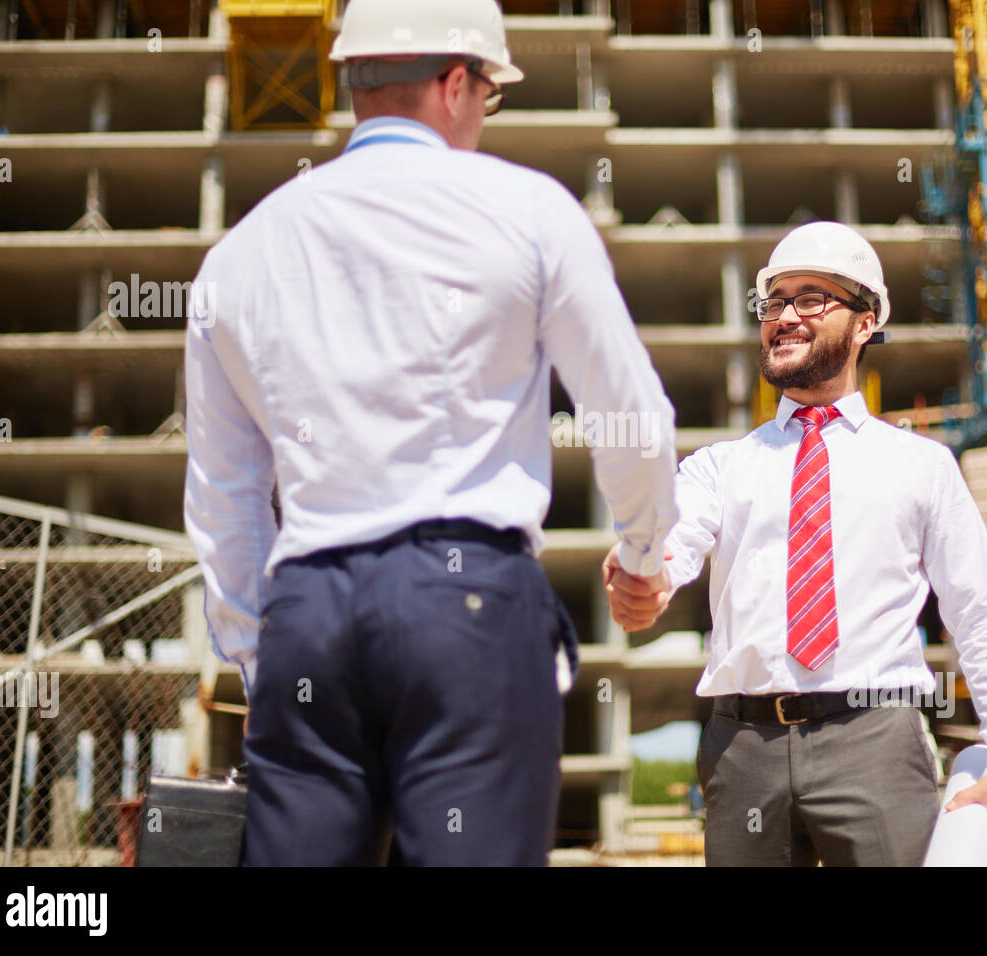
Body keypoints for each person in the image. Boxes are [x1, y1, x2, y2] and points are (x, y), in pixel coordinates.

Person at [183, 0, 677, 866]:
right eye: (490, 95)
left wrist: (264, 658)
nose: (486, 117)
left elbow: (224, 496)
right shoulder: (526, 208)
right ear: (457, 83)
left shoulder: (238, 255)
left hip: (308, 617)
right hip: (467, 610)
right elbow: (630, 412)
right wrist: (643, 554)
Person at [602, 221, 987, 866]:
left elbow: (983, 616)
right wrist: (645, 575)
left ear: (865, 323)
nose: (785, 316)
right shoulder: (720, 467)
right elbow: (675, 545)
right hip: (742, 747)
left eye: (811, 299)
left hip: (876, 741)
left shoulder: (922, 467)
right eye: (775, 301)